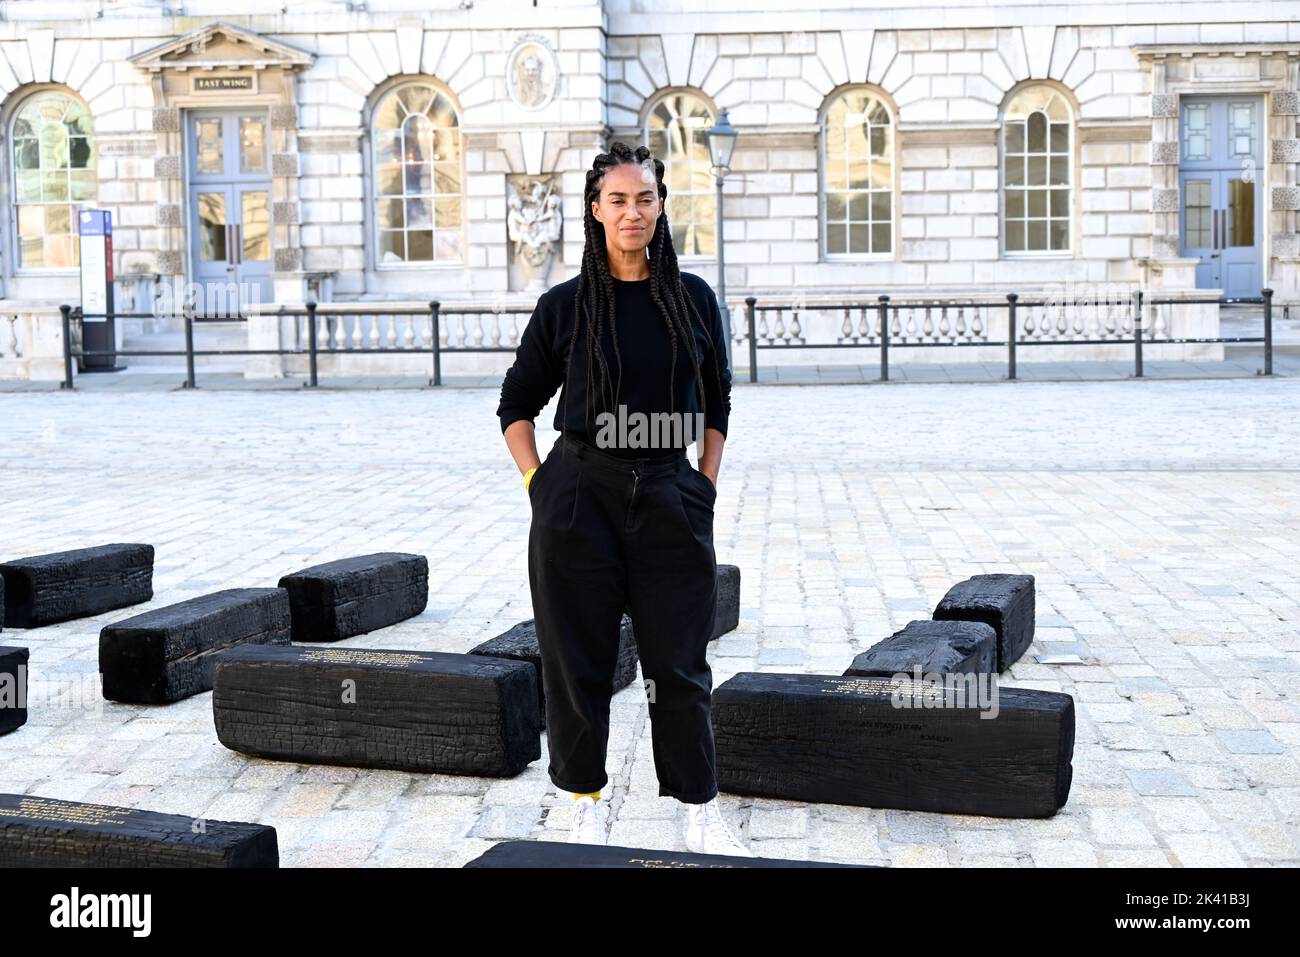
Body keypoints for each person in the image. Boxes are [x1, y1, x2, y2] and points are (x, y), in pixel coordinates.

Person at [496, 141, 752, 857]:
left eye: (645, 198)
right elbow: (516, 405)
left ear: (662, 205)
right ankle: (583, 804)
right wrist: (540, 486)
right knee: (575, 663)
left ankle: (697, 811)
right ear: (595, 210)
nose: (632, 211)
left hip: (671, 495)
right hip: (580, 498)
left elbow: (718, 401)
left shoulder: (694, 299)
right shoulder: (565, 306)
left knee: (681, 664)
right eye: (618, 199)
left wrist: (702, 484)